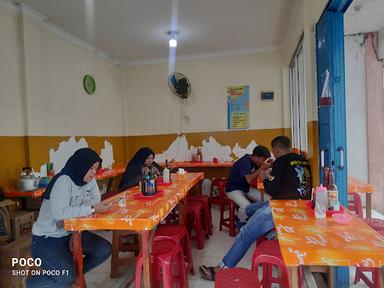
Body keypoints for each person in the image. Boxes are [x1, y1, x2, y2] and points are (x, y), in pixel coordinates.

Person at [199, 136, 312, 281]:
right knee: (251, 209)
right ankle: (272, 234)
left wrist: (265, 176)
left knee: (246, 233)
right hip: (302, 208)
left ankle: (220, 269)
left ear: (276, 150)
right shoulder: (303, 160)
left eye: (273, 152)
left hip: (282, 209)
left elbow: (271, 190)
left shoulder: (281, 161)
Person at [26, 148, 112, 288]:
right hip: (48, 237)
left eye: (96, 168)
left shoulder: (89, 180)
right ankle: (31, 283)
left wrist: (77, 210)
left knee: (103, 249)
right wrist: (89, 209)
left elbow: (96, 200)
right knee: (65, 277)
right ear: (81, 165)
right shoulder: (63, 180)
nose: (93, 172)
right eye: (90, 168)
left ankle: (73, 277)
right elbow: (59, 214)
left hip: (71, 232)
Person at [225, 145, 271, 222]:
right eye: (263, 160)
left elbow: (260, 175)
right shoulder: (245, 162)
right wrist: (261, 168)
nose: (263, 162)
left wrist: (264, 168)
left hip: (246, 188)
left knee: (268, 200)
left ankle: (260, 221)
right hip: (233, 190)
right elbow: (249, 180)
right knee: (247, 207)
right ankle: (242, 225)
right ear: (256, 156)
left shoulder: (255, 162)